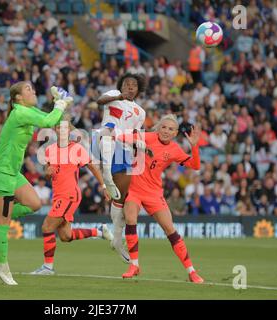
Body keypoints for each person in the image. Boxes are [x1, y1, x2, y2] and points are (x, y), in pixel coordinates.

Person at [0, 82, 72, 285]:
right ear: (18, 98)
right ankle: (2, 268)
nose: (33, 91)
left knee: (35, 204)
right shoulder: (20, 112)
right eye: (28, 89)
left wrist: (58, 102)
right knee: (5, 225)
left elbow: (48, 118)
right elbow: (49, 121)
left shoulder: (27, 110)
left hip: (13, 173)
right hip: (0, 174)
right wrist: (61, 104)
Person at [116, 114, 204, 283]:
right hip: (134, 189)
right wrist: (136, 142)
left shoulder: (175, 149)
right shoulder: (148, 137)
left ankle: (191, 271)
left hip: (154, 193)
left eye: (170, 129)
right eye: (163, 127)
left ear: (175, 133)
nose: (166, 131)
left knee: (170, 230)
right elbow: (121, 137)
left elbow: (195, 165)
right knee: (131, 219)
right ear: (158, 128)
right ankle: (134, 265)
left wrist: (194, 146)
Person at [31, 121, 113, 275]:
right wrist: (47, 173)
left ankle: (48, 268)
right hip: (58, 195)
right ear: (55, 130)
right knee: (65, 236)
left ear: (69, 131)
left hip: (69, 195)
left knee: (47, 227)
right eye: (58, 127)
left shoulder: (76, 149)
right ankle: (99, 231)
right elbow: (50, 174)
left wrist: (103, 187)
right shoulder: (49, 150)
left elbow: (92, 167)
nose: (61, 130)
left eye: (65, 127)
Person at [95, 72, 146, 263]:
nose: (129, 87)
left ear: (138, 89)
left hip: (125, 151)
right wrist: (118, 96)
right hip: (108, 141)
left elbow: (136, 135)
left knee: (122, 198)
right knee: (107, 133)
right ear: (121, 86)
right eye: (126, 84)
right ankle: (106, 175)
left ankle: (117, 240)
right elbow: (100, 100)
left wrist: (138, 147)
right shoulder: (113, 95)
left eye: (133, 85)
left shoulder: (140, 112)